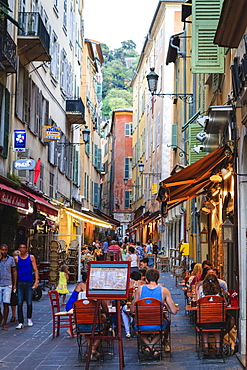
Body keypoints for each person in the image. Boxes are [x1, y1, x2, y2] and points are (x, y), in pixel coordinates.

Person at [131, 268, 179, 357]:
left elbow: (132, 310)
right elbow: (174, 311)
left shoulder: (139, 290)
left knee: (134, 326)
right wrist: (165, 305)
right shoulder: (164, 291)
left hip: (141, 324)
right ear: (158, 279)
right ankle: (151, 346)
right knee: (165, 325)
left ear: (146, 279)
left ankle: (148, 346)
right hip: (158, 324)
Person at [197, 273, 226, 355]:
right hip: (219, 321)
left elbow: (197, 302)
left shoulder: (201, 289)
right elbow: (225, 303)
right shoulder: (220, 290)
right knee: (216, 326)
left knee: (205, 326)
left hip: (204, 321)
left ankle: (206, 347)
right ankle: (217, 347)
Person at [14, 244, 39, 329]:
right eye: (20, 248)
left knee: (29, 302)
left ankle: (29, 318)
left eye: (23, 248)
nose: (22, 249)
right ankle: (21, 321)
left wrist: (36, 281)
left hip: (29, 282)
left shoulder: (31, 257)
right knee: (19, 302)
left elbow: (35, 269)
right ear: (19, 249)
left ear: (26, 249)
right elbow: (14, 271)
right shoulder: (16, 259)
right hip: (20, 282)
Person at [0, 244, 17, 330]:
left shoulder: (11, 259)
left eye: (5, 250)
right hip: (0, 284)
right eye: (2, 250)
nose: (4, 251)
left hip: (8, 284)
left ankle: (4, 323)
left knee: (6, 304)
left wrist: (14, 284)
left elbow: (14, 271)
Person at [9, 250, 21, 323]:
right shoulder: (11, 264)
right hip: (12, 282)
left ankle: (17, 315)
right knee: (12, 300)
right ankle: (13, 315)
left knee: (19, 300)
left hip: (20, 282)